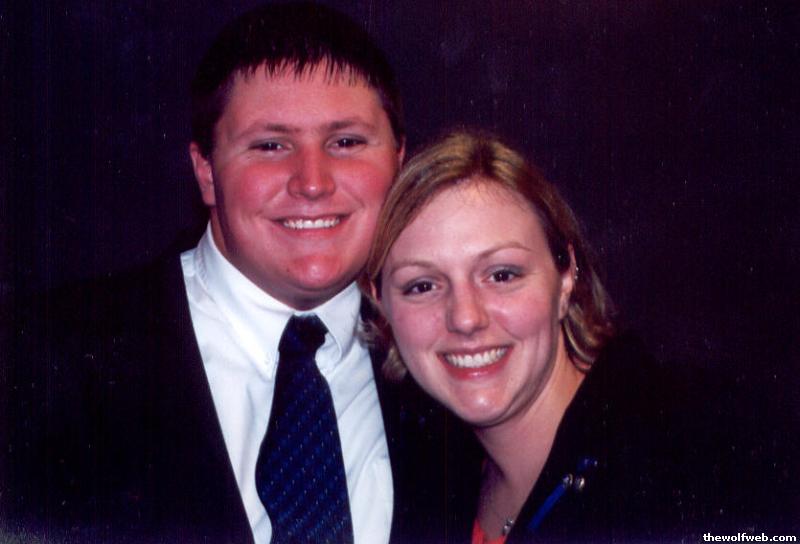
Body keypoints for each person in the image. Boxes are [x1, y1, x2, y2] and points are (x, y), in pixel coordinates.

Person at [2, 4, 410, 543]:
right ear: (206, 173)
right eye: (271, 145)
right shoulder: (39, 361)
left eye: (346, 142)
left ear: (399, 161)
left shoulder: (448, 368)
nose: (312, 182)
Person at [364, 131, 738, 542]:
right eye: (422, 286)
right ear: (382, 306)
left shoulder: (696, 456)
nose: (465, 318)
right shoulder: (423, 486)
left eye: (502, 275)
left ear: (565, 277)